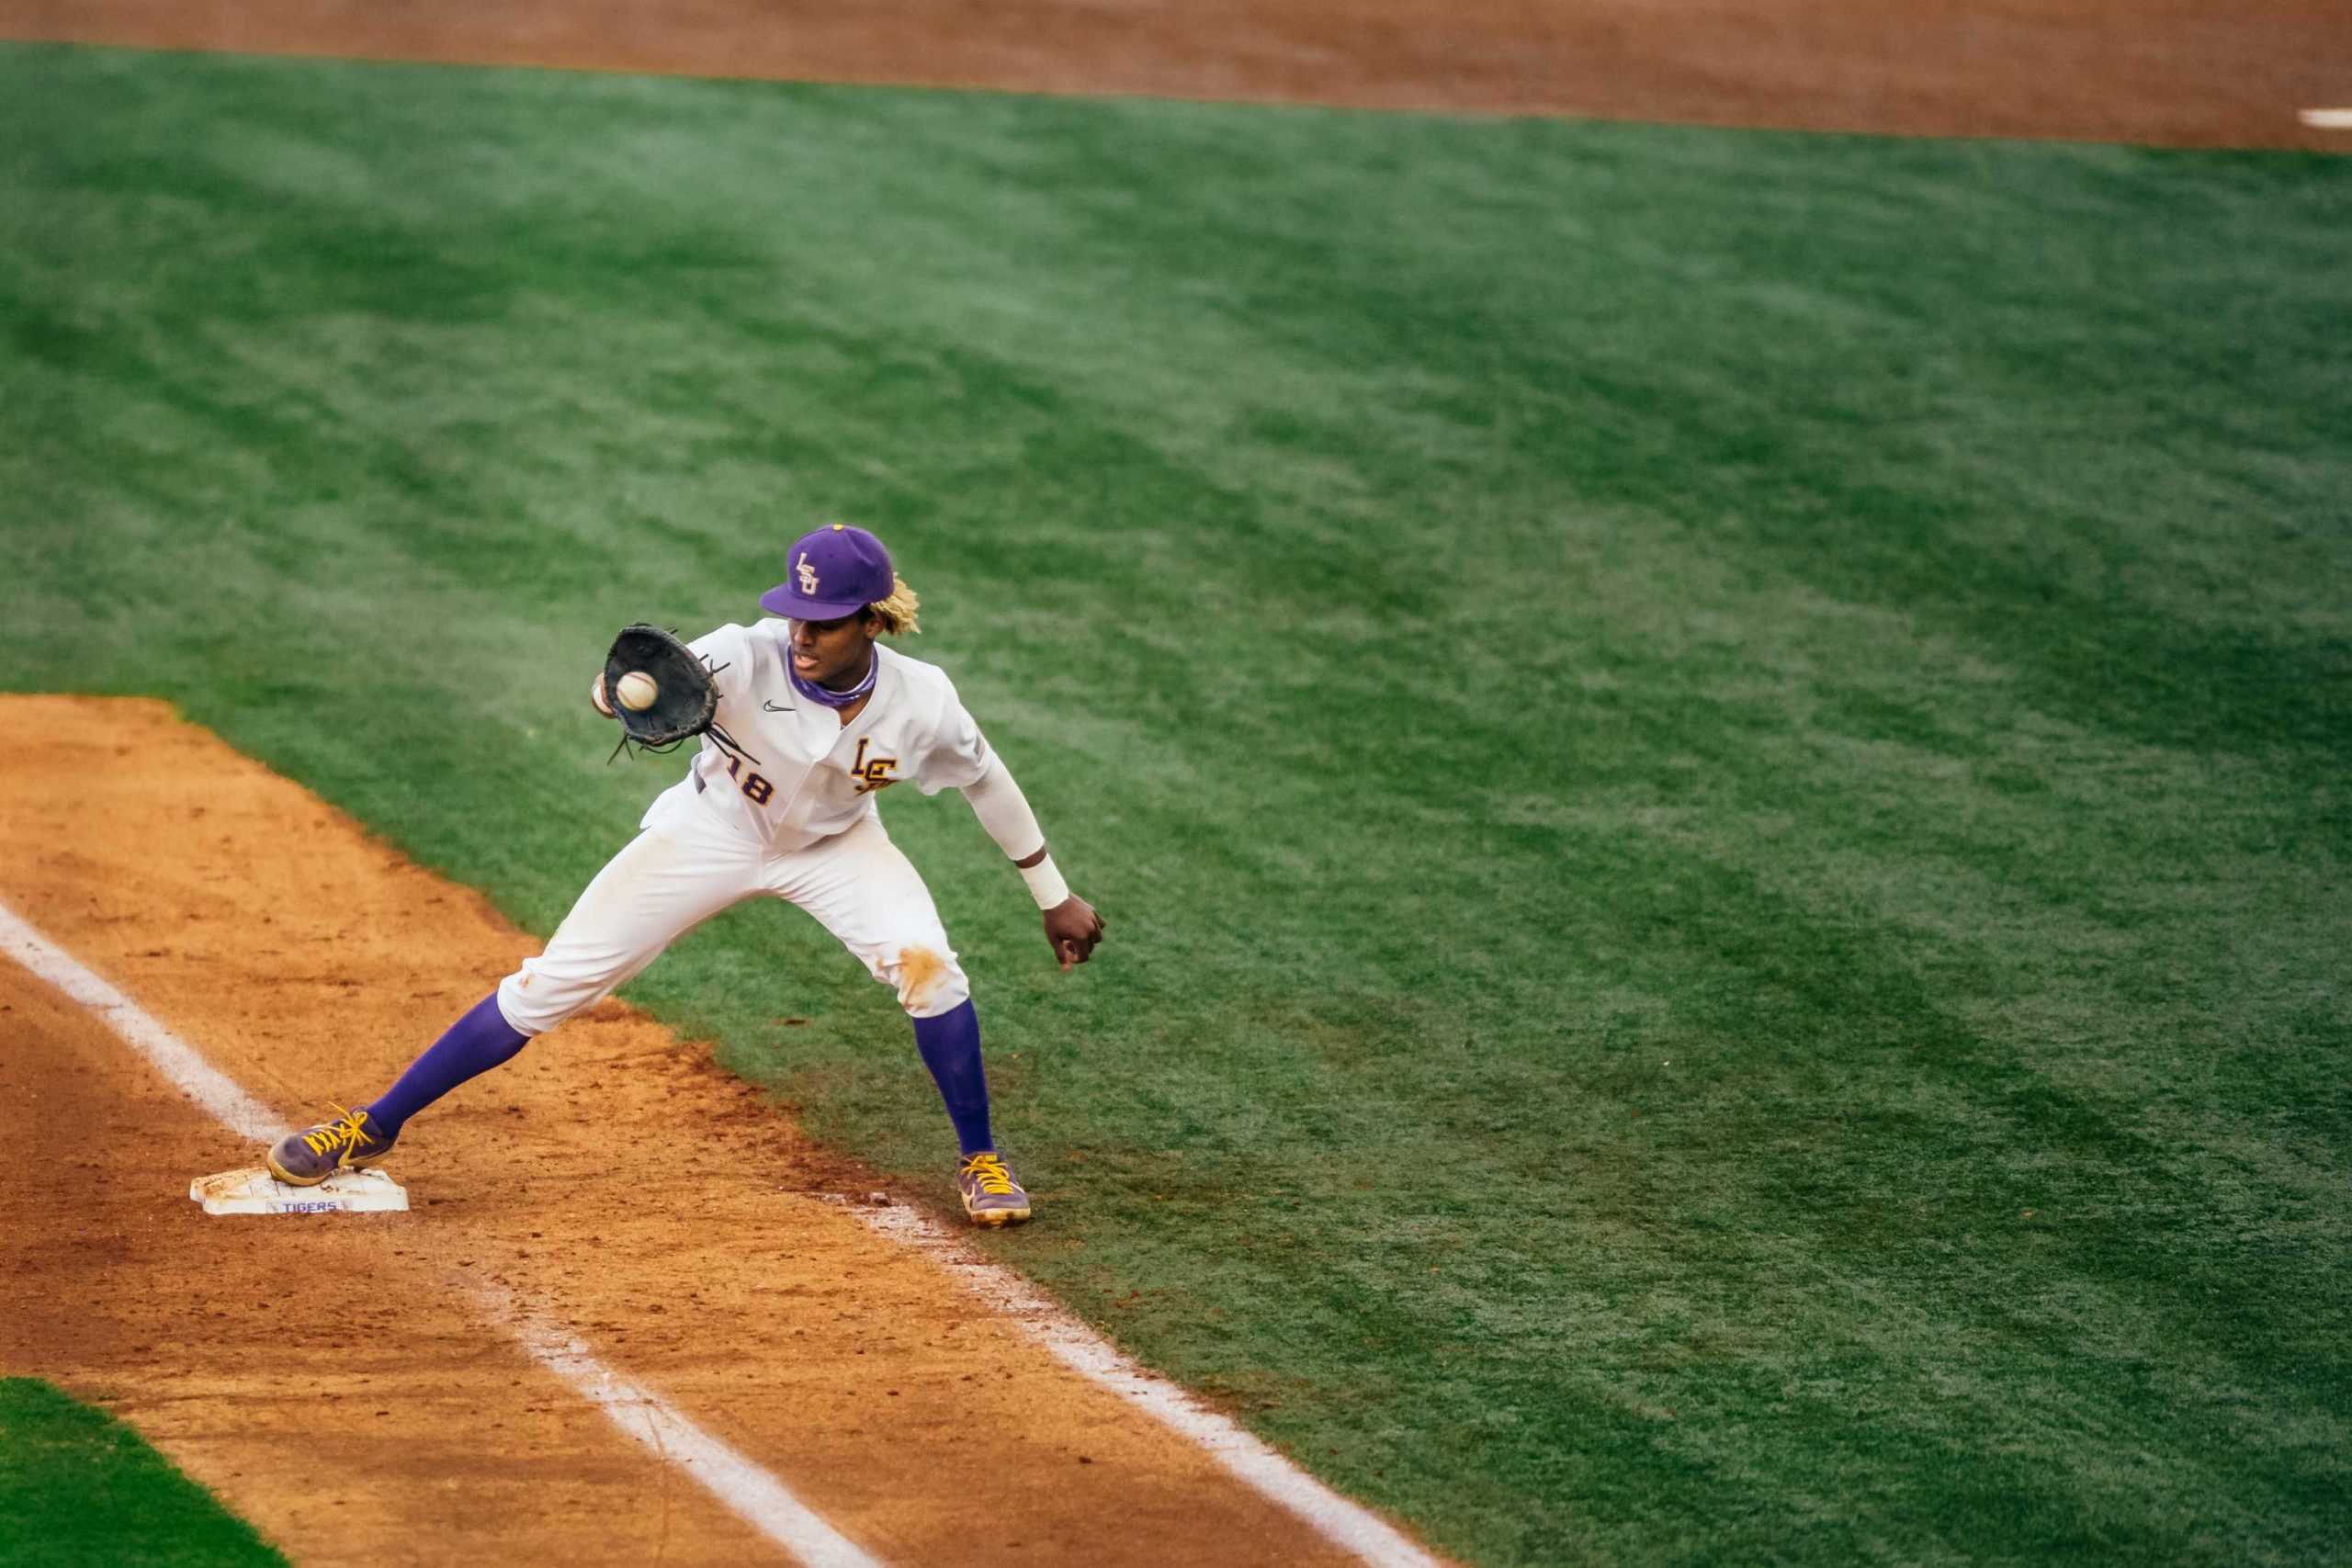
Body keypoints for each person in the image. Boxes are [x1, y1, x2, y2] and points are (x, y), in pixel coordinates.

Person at [264, 524, 1104, 1225]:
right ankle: (371, 1127)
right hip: (711, 830)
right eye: (796, 615)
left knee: (930, 968)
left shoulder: (924, 702)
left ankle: (981, 1159)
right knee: (552, 983)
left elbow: (986, 779)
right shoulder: (742, 653)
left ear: (873, 622)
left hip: (838, 848)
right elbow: (624, 690)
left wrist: (1053, 893)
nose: (801, 635)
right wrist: (611, 694)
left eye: (825, 622)